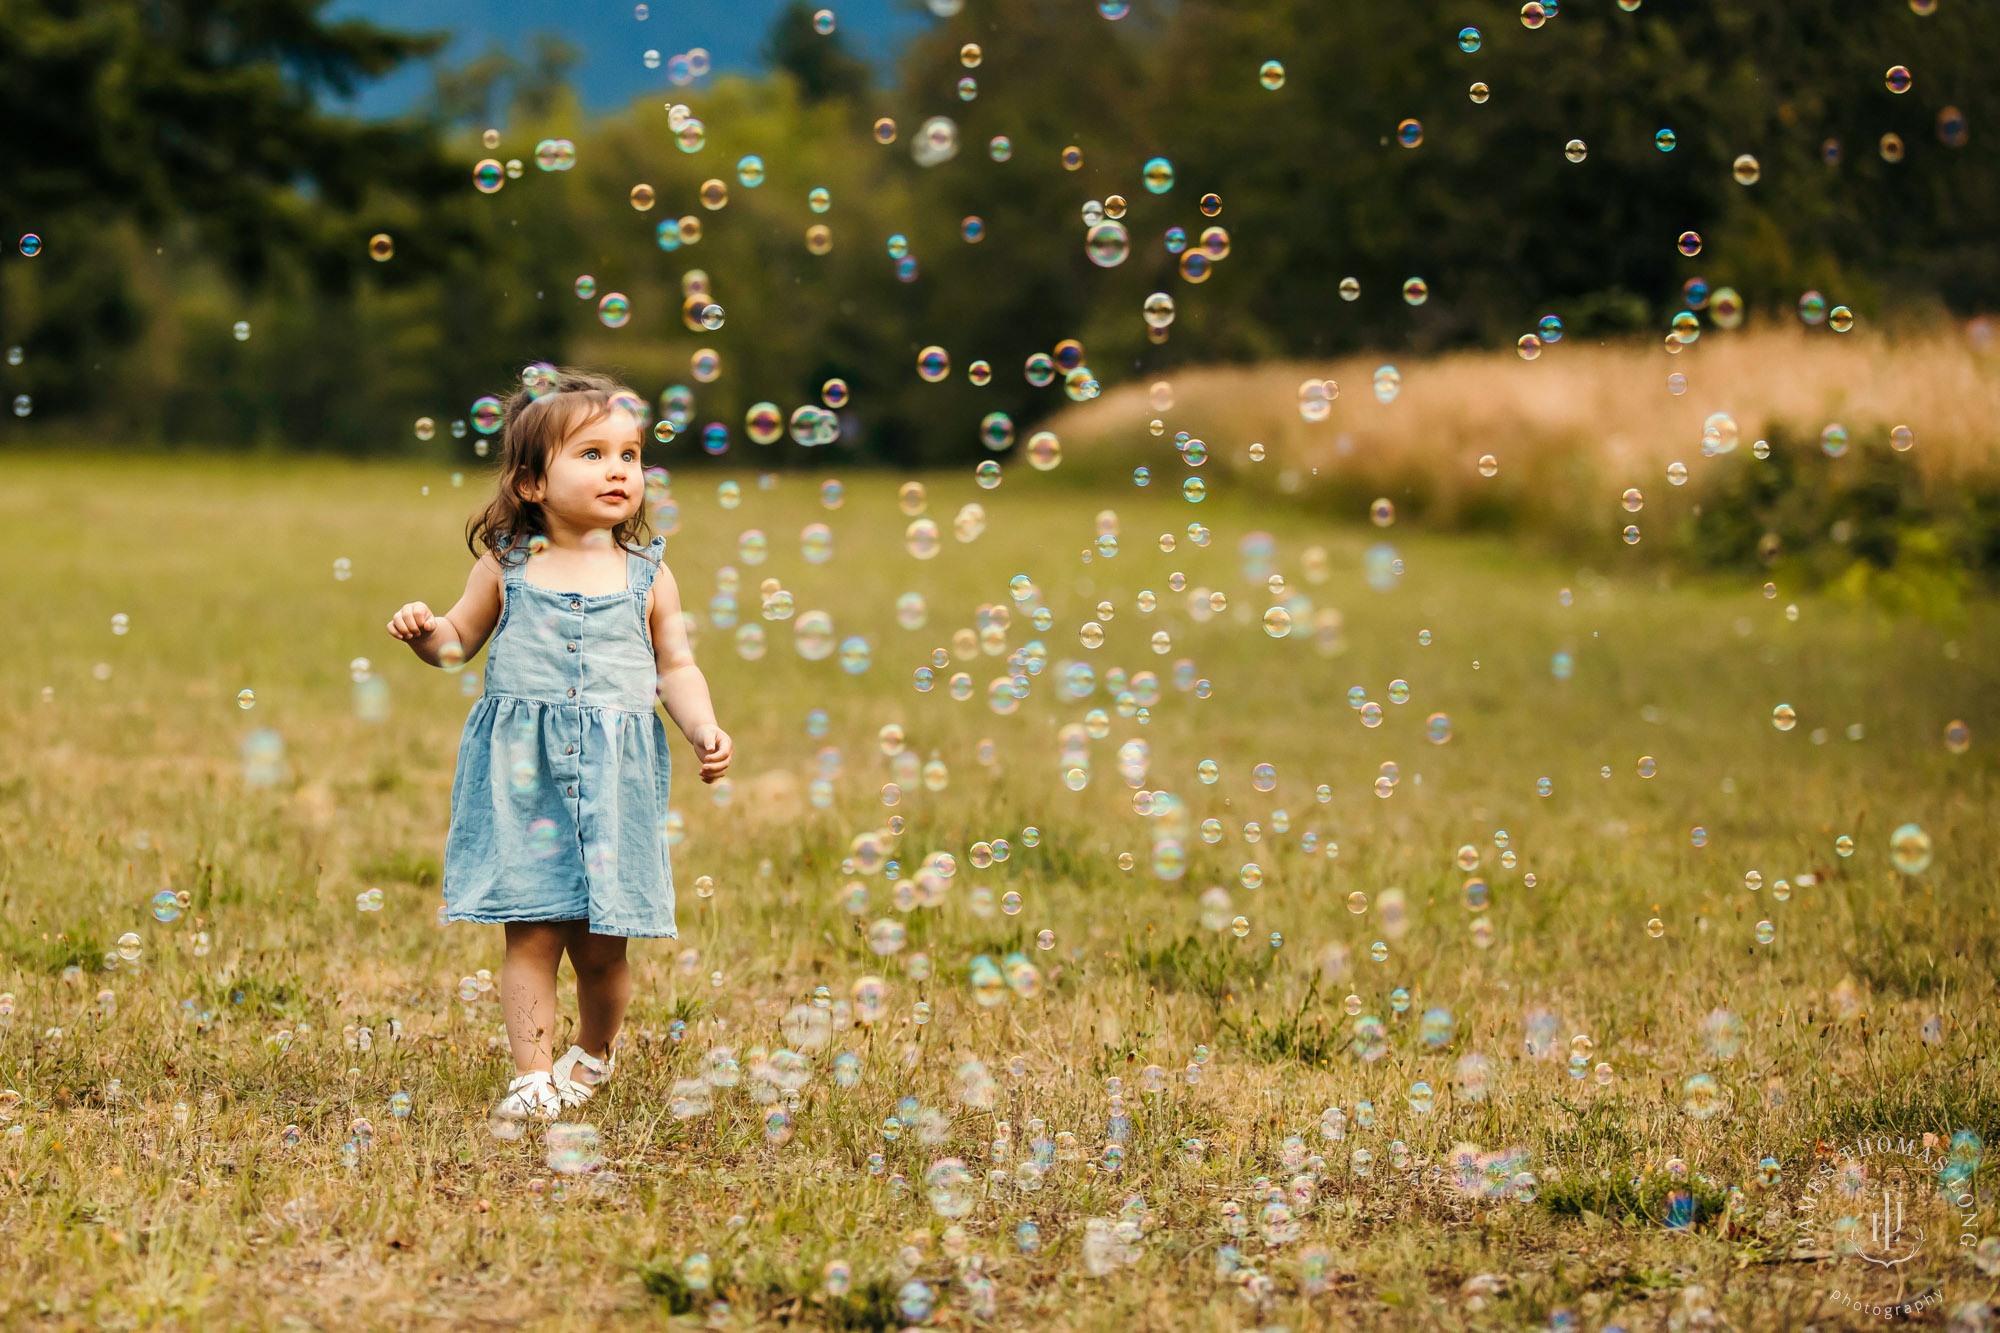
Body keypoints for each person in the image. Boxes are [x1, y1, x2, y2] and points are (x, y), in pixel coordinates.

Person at [386, 368, 731, 1125]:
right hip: (525, 778)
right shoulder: (505, 565)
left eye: (630, 455)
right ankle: (532, 1075)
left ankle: (594, 1054)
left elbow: (676, 664)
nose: (618, 470)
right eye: (593, 453)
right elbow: (456, 646)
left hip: (614, 782)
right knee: (534, 932)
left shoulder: (649, 575)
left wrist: (702, 724)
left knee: (604, 946)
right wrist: (424, 634)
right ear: (533, 481)